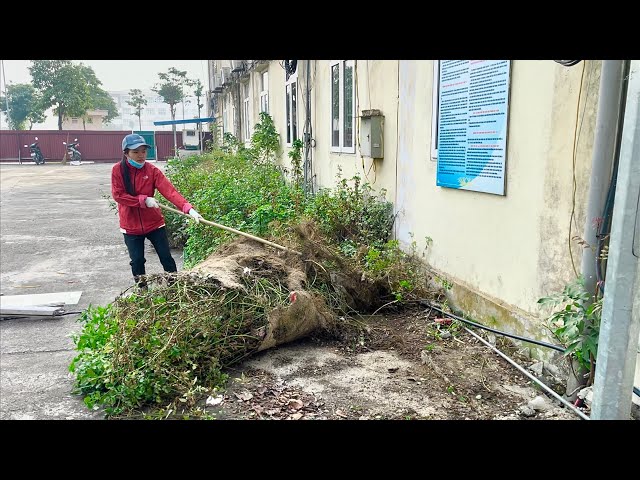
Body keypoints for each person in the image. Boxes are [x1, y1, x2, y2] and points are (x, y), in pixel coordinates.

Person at [111, 133, 203, 289]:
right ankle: (142, 290)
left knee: (166, 257)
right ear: (126, 153)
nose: (141, 155)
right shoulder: (118, 170)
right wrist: (143, 200)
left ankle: (175, 288)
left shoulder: (152, 170)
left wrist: (188, 209)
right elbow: (118, 195)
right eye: (136, 152)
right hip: (130, 225)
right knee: (137, 260)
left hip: (154, 223)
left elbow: (170, 192)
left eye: (143, 151)